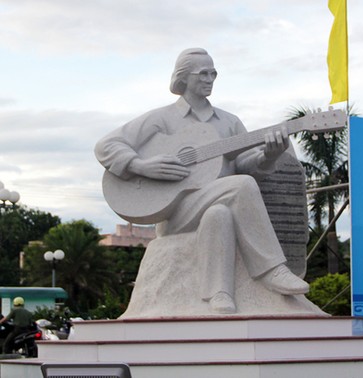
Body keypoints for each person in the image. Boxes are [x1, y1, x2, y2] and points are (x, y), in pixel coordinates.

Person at [94, 48, 309, 314]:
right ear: (184, 77)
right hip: (176, 211)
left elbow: (245, 164)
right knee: (240, 185)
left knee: (219, 212)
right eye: (203, 73)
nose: (210, 79)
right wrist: (142, 165)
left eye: (214, 73)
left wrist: (268, 156)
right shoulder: (162, 118)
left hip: (220, 202)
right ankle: (272, 268)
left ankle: (218, 294)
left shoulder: (229, 122)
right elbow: (106, 145)